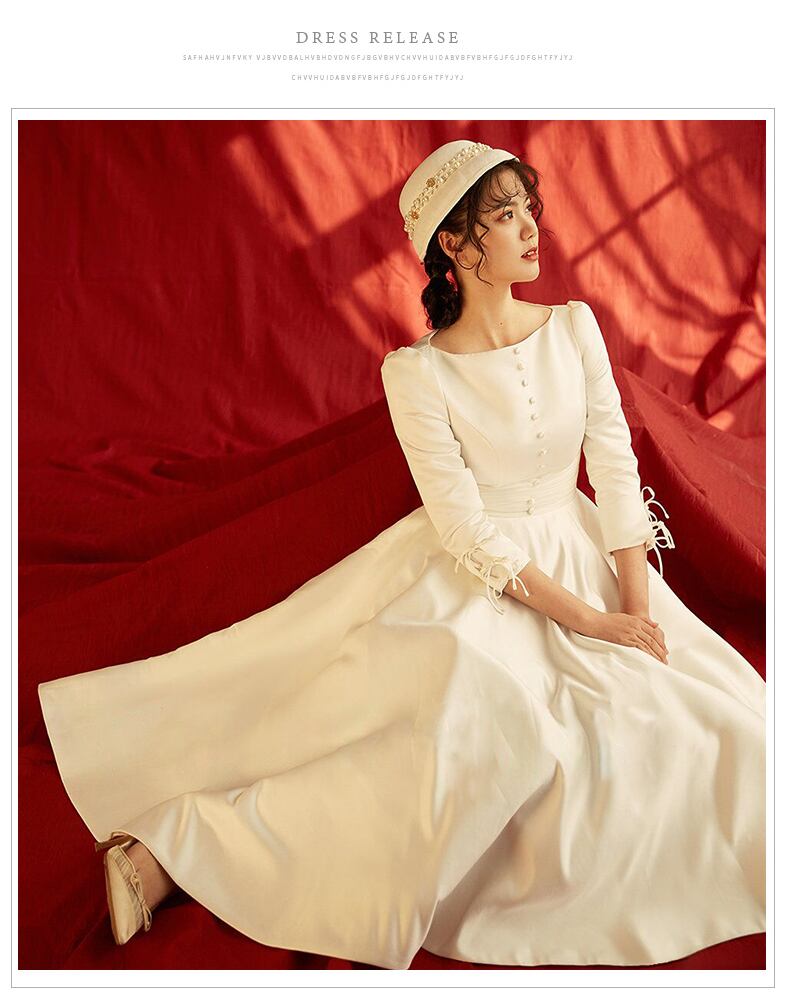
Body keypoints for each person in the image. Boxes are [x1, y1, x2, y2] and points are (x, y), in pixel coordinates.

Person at [37, 139, 766, 970]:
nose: (532, 228)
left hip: (588, 555)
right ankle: (176, 847)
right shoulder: (415, 374)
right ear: (452, 244)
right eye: (504, 215)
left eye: (528, 208)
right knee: (463, 733)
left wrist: (631, 610)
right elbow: (465, 529)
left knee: (716, 735)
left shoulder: (574, 328)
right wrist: (588, 623)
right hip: (478, 581)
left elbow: (615, 465)